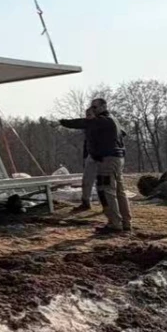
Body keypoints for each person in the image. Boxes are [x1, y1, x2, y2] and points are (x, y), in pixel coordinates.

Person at [56, 97, 132, 233]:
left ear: (103, 107)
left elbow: (81, 122)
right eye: (92, 107)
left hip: (107, 160)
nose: (92, 110)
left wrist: (61, 122)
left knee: (106, 190)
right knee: (119, 191)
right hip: (116, 158)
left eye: (95, 107)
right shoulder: (111, 120)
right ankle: (125, 222)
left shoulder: (102, 121)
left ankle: (114, 223)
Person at [77, 106, 97, 212]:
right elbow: (86, 144)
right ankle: (86, 202)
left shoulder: (104, 125)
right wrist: (85, 157)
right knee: (87, 181)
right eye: (86, 115)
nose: (87, 117)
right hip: (90, 156)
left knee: (103, 183)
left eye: (89, 115)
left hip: (103, 157)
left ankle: (107, 205)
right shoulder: (88, 128)